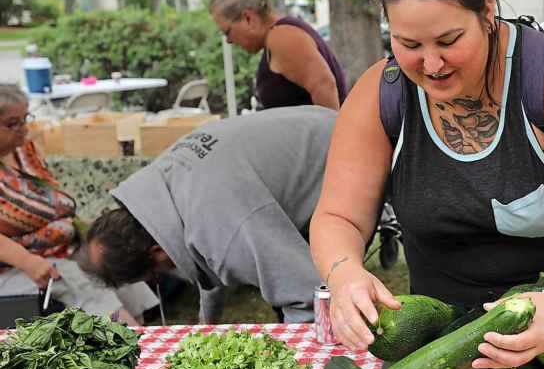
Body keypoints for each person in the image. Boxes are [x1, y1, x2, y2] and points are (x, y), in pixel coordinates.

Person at [309, 0, 544, 369]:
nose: (431, 64)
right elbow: (337, 217)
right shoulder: (380, 94)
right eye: (408, 45)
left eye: (448, 41)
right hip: (440, 349)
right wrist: (343, 269)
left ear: (486, 9)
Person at [79, 106, 337, 323]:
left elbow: (309, 293)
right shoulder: (159, 194)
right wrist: (206, 325)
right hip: (317, 126)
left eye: (158, 272)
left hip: (345, 150)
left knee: (314, 294)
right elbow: (204, 260)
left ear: (157, 252)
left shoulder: (226, 227)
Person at [0, 84, 159, 324]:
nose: (24, 129)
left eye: (25, 119)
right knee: (82, 283)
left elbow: (52, 197)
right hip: (17, 266)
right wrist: (28, 261)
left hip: (61, 250)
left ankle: (142, 334)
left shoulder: (23, 149)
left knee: (113, 259)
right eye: (13, 123)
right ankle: (130, 341)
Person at [209, 0, 348, 110]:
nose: (228, 41)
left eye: (227, 32)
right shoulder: (282, 34)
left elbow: (324, 87)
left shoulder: (282, 38)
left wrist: (333, 133)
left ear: (248, 18)